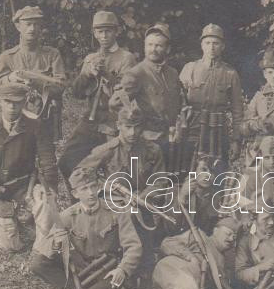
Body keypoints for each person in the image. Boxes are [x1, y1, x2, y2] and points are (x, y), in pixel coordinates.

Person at [29, 167, 143, 289]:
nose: (90, 193)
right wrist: (56, 244)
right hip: (80, 269)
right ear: (75, 194)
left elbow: (134, 246)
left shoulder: (117, 211)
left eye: (93, 186)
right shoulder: (67, 216)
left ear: (99, 186)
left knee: (116, 279)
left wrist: (122, 269)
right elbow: (46, 249)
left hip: (106, 269)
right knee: (37, 264)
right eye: (84, 189)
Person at [0, 83, 58, 254]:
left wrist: (50, 189)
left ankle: (42, 251)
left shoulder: (35, 126)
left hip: (26, 187)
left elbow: (48, 160)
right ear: (0, 101)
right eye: (7, 101)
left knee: (45, 207)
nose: (12, 107)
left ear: (24, 102)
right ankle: (19, 222)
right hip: (1, 192)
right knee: (9, 246)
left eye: (17, 102)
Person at [59, 10, 138, 180]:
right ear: (94, 33)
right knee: (67, 161)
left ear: (117, 32)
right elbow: (77, 93)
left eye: (108, 31)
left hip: (114, 121)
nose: (104, 36)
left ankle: (107, 194)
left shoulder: (126, 58)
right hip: (91, 120)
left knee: (117, 170)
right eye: (100, 31)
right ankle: (83, 194)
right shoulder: (91, 58)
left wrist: (106, 74)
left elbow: (125, 95)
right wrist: (87, 74)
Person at [117, 217, 240, 289]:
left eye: (234, 237)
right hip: (171, 269)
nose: (231, 239)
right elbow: (167, 243)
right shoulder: (199, 236)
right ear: (215, 230)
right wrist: (190, 256)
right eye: (228, 233)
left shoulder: (223, 263)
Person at [0, 6, 67, 140]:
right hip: (14, 120)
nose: (32, 29)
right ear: (18, 26)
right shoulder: (7, 57)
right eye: (28, 24)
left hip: (44, 121)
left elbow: (60, 87)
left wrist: (35, 82)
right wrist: (10, 78)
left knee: (45, 153)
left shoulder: (52, 55)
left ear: (41, 27)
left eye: (36, 24)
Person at [179, 24, 244, 165]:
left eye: (216, 43)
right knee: (189, 171)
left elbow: (237, 111)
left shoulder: (230, 73)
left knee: (218, 172)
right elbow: (178, 102)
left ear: (222, 46)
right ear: (202, 45)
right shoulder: (190, 69)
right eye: (207, 43)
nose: (211, 47)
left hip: (218, 132)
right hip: (193, 131)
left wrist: (236, 140)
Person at [120, 23, 183, 165]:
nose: (153, 49)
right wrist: (134, 127)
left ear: (167, 49)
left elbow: (178, 104)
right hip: (147, 140)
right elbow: (116, 104)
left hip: (172, 138)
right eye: (149, 45)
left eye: (158, 45)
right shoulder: (136, 73)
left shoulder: (172, 73)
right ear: (144, 46)